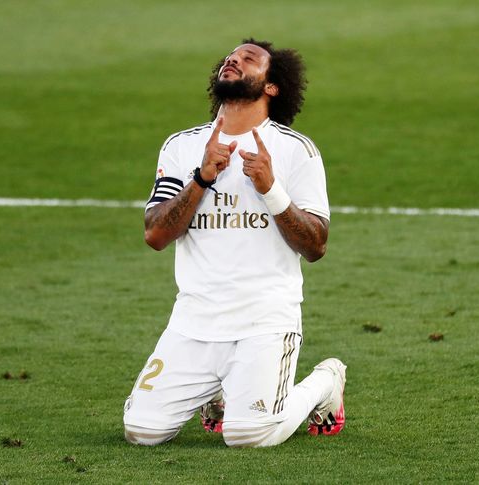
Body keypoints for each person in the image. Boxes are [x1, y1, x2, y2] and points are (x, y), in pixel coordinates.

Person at [123, 38, 346, 448]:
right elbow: (155, 234)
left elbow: (316, 245)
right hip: (194, 322)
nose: (233, 60)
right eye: (231, 57)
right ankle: (217, 391)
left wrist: (272, 189)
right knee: (142, 430)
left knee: (250, 435)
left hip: (265, 320)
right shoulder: (183, 146)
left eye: (249, 60)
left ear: (271, 87)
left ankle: (324, 381)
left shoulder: (296, 151)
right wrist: (202, 177)